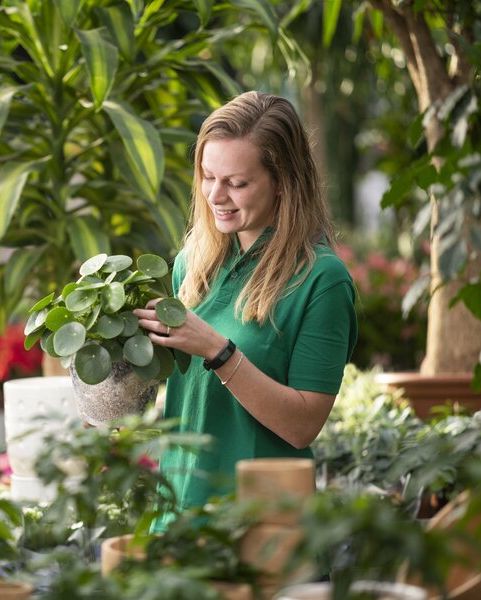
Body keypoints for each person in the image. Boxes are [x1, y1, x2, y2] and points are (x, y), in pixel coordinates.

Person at [134, 91, 357, 528]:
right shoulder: (193, 263)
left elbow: (303, 425)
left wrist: (218, 351)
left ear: (282, 181)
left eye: (237, 183)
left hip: (263, 523)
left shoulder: (322, 280)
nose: (217, 195)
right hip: (178, 515)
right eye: (208, 176)